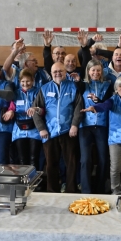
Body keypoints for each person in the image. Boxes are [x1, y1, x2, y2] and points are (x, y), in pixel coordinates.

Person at [32, 62, 84, 193]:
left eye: (60, 71)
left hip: (69, 131)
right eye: (55, 71)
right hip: (50, 132)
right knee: (51, 165)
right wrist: (41, 128)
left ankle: (71, 190)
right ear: (51, 73)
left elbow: (79, 107)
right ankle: (52, 190)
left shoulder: (73, 87)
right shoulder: (44, 88)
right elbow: (35, 109)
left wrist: (74, 125)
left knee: (71, 163)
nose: (57, 73)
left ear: (65, 72)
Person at [78, 58, 114, 194]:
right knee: (85, 159)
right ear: (88, 71)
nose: (96, 73)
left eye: (98, 70)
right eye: (93, 70)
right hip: (85, 126)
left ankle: (100, 189)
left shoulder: (107, 85)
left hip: (102, 125)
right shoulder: (83, 85)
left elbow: (108, 103)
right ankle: (86, 190)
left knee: (103, 158)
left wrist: (98, 101)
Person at [11, 69, 42, 169]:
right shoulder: (15, 93)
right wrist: (10, 111)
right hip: (19, 130)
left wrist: (35, 109)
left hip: (35, 129)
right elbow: (11, 107)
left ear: (33, 80)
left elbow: (43, 108)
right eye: (23, 81)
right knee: (22, 159)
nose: (25, 83)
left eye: (28, 81)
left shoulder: (38, 92)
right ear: (19, 82)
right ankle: (24, 184)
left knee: (34, 158)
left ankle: (35, 183)